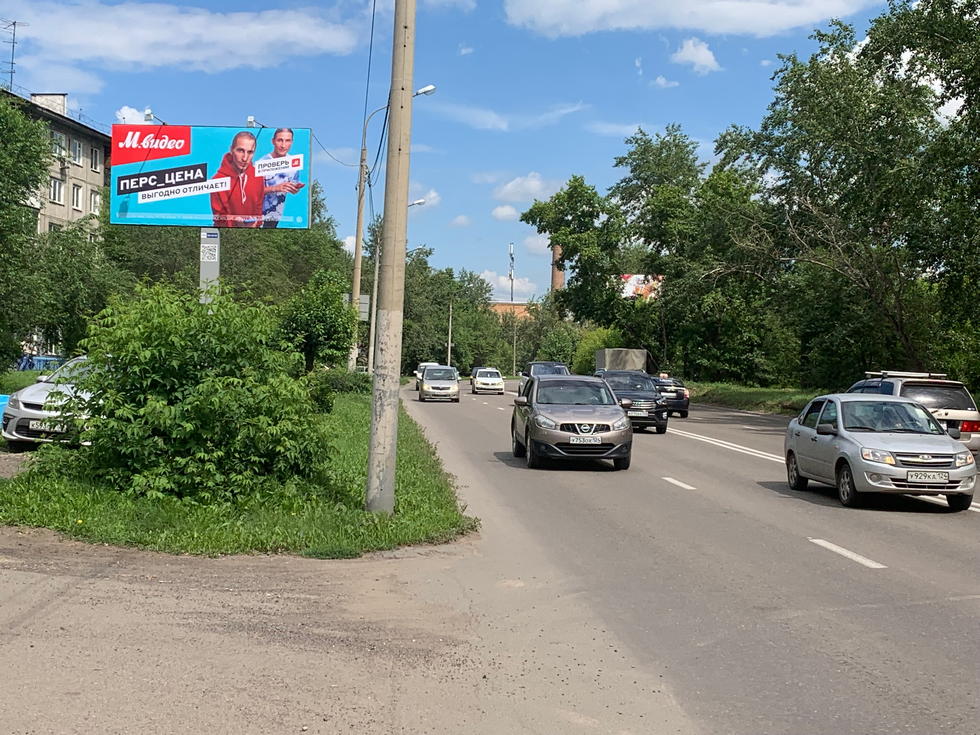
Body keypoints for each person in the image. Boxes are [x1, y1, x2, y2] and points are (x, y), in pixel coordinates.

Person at [210, 131, 265, 228]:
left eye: (250, 152)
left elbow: (259, 210)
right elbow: (219, 218)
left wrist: (256, 224)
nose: (245, 158)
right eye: (240, 151)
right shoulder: (217, 180)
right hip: (226, 234)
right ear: (231, 150)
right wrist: (236, 224)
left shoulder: (258, 177)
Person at [258, 128, 304, 228]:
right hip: (258, 217)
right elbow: (251, 192)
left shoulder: (293, 164)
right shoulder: (262, 163)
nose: (283, 145)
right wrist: (275, 188)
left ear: (291, 142)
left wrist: (295, 188)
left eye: (287, 141)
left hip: (276, 217)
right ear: (273, 141)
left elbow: (291, 188)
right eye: (280, 140)